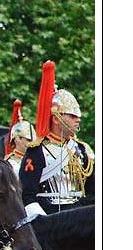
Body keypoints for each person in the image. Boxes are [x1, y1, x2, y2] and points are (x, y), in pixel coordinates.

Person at [20, 60, 94, 216]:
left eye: (78, 116)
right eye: (72, 116)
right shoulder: (36, 151)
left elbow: (93, 191)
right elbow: (27, 194)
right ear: (56, 118)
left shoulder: (82, 149)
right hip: (51, 219)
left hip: (80, 216)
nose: (78, 119)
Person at [5, 99, 36, 176]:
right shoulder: (8, 163)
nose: (32, 144)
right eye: (28, 140)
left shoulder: (36, 160)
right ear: (17, 139)